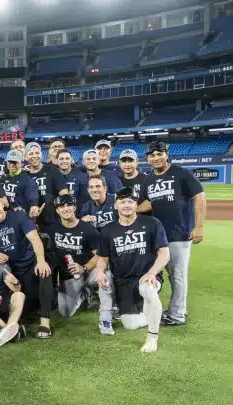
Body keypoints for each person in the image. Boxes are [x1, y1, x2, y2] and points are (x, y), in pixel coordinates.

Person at [138, 140, 206, 326]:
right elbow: (148, 204)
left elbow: (199, 196)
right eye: (152, 155)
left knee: (177, 275)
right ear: (148, 158)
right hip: (160, 236)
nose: (156, 158)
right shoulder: (149, 179)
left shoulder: (180, 173)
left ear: (166, 155)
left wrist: (199, 226)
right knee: (166, 274)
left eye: (159, 154)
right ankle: (174, 310)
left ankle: (177, 315)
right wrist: (129, 209)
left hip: (179, 233)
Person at [93, 187, 169, 352]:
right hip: (123, 281)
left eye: (131, 201)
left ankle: (152, 338)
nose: (127, 205)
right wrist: (99, 271)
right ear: (115, 205)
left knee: (148, 289)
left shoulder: (152, 223)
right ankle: (154, 313)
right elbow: (103, 258)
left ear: (136, 205)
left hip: (146, 276)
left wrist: (152, 272)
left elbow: (164, 254)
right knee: (130, 325)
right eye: (122, 202)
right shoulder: (108, 230)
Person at [0, 195, 53, 338]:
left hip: (31, 262)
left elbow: (35, 238)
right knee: (21, 299)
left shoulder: (19, 216)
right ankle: (14, 322)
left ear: (3, 205)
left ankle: (45, 323)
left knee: (45, 272)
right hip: (13, 268)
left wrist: (41, 261)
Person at [44, 194, 100, 320]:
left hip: (88, 271)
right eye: (61, 206)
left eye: (69, 205)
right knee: (65, 312)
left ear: (74, 207)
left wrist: (84, 268)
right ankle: (85, 294)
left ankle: (111, 307)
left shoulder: (88, 229)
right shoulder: (52, 229)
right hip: (69, 276)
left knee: (105, 275)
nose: (66, 208)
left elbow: (100, 256)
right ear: (57, 210)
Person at [24, 142, 69, 227]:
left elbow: (65, 196)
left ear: (41, 155)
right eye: (31, 153)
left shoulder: (53, 171)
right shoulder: (24, 175)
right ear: (25, 157)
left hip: (53, 221)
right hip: (31, 222)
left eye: (37, 153)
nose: (34, 156)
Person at [2, 150, 39, 215]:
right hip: (3, 217)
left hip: (20, 217)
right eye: (10, 162)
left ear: (21, 163)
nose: (12, 165)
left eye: (15, 162)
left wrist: (34, 207)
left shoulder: (27, 180)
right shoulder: (2, 178)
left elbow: (33, 199)